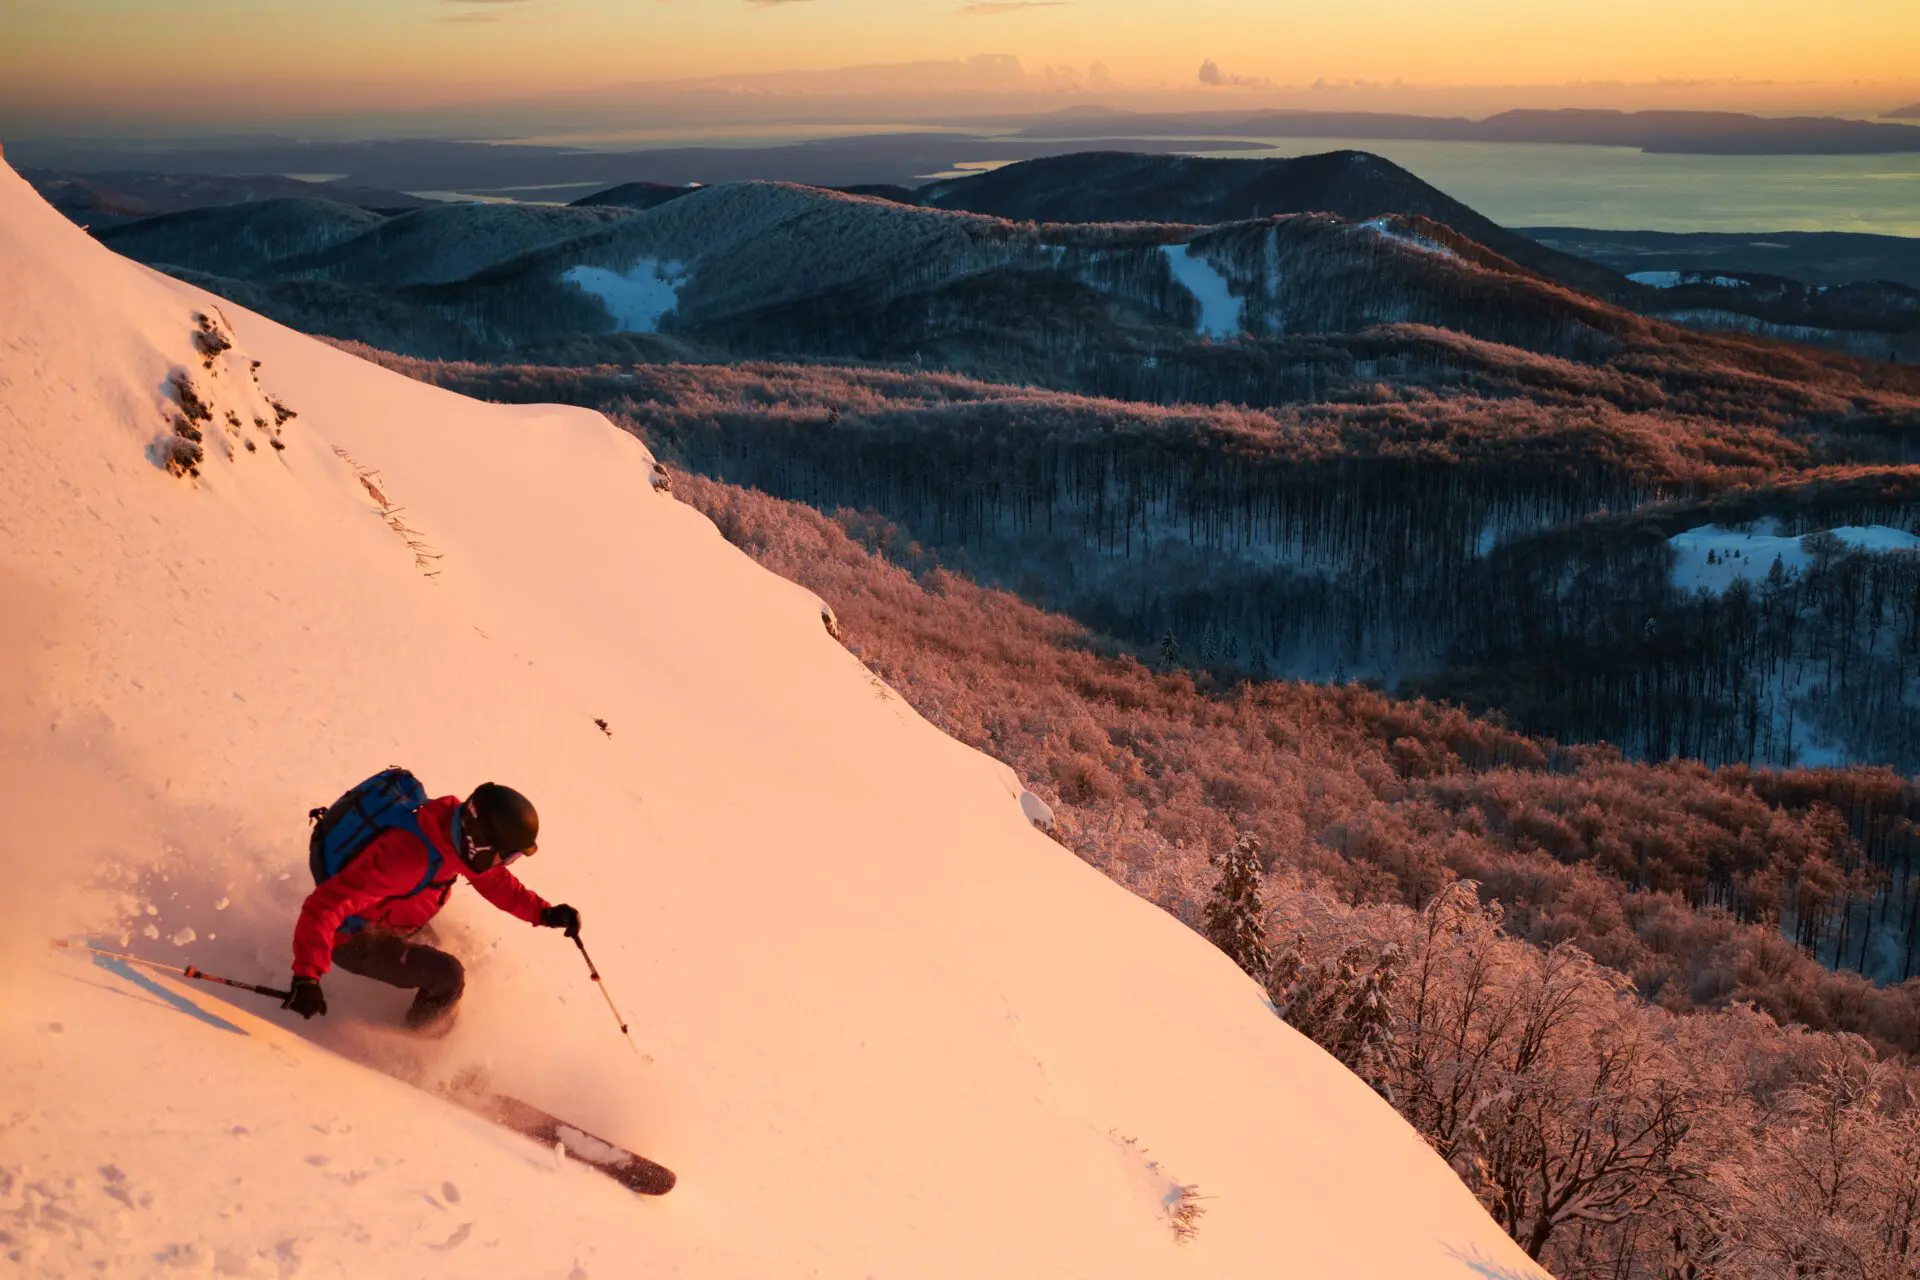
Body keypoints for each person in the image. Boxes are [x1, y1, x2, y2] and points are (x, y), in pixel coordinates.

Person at [283, 782, 580, 1033]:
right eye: (508, 857)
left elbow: (495, 882)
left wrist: (544, 913)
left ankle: (430, 1030)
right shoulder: (407, 859)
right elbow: (324, 905)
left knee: (452, 957)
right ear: (481, 843)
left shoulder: (451, 830)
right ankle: (415, 1052)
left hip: (392, 921)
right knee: (448, 976)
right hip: (351, 939)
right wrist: (307, 977)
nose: (505, 864)